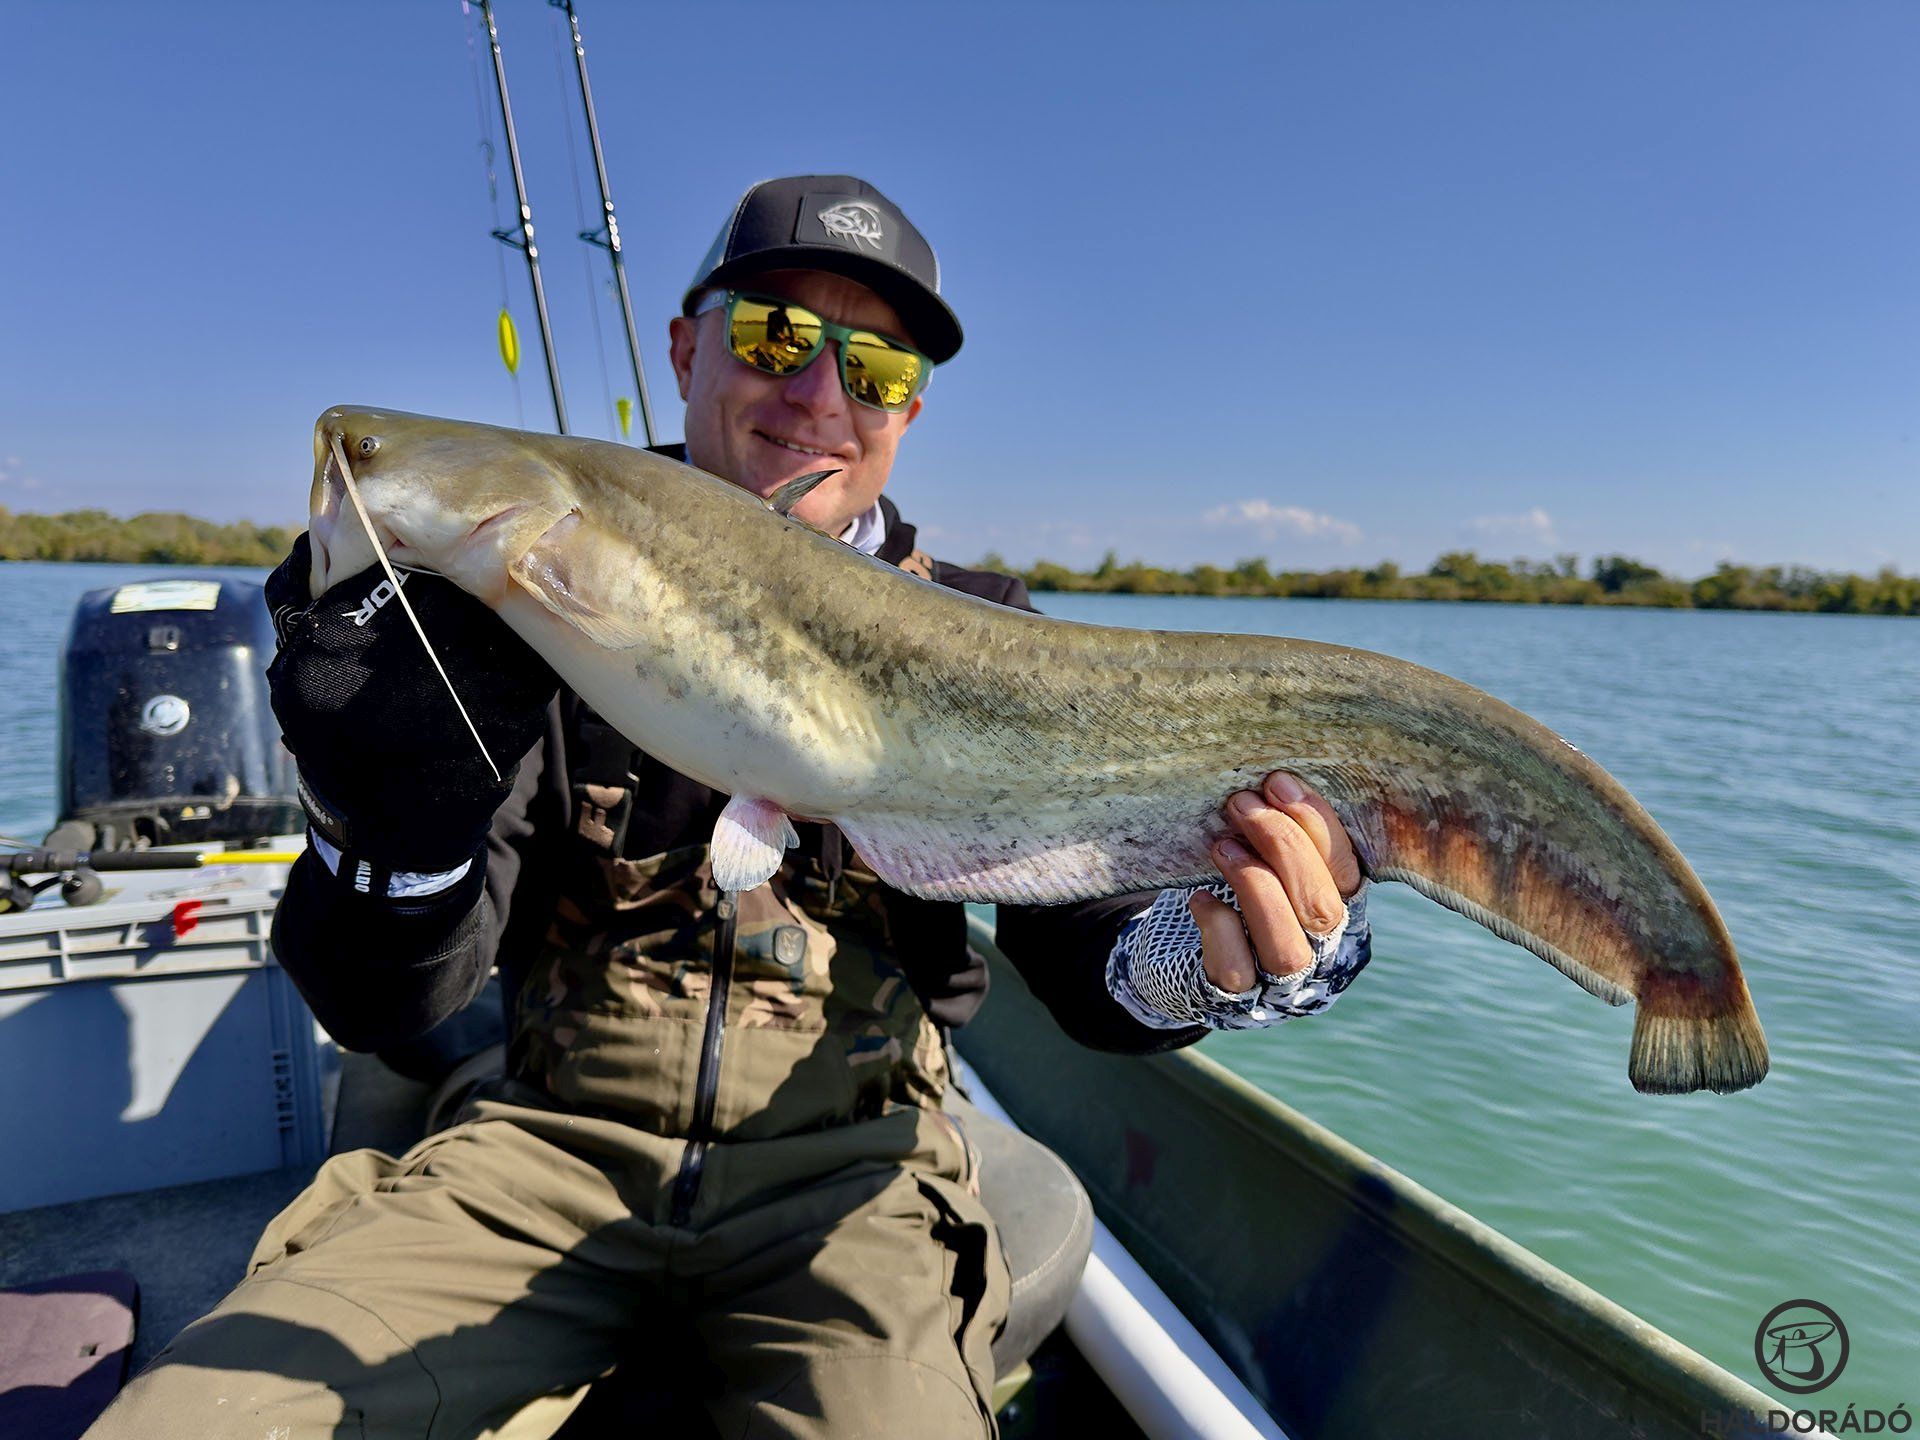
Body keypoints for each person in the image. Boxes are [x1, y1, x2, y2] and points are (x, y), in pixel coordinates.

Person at [86, 176, 1373, 1440]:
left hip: (854, 1185)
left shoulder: (989, 625)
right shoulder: (524, 595)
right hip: (545, 1151)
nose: (820, 395)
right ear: (689, 348)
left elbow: (1088, 953)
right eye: (775, 338)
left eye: (876, 371)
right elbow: (381, 1006)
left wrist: (1210, 962)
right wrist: (384, 816)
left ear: (910, 412)